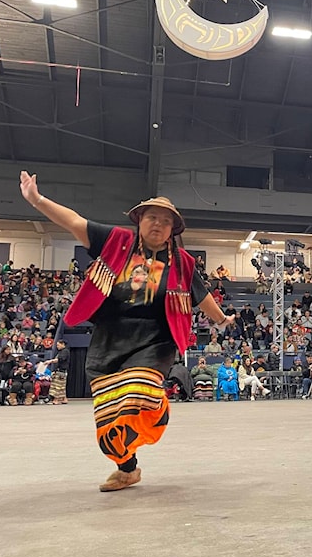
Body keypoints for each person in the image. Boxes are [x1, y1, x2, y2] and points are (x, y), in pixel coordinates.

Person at [19, 171, 236, 492]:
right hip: (110, 337)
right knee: (109, 418)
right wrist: (37, 200)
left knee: (139, 391)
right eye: (152, 217)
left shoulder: (183, 263)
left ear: (172, 230)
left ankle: (158, 406)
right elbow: (75, 221)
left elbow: (200, 295)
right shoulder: (116, 241)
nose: (158, 224)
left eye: (165, 220)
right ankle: (127, 468)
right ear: (140, 220)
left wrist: (222, 320)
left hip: (156, 340)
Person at [47, 339, 70, 405]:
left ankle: (56, 400)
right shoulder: (61, 351)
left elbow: (60, 359)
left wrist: (50, 361)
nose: (57, 346)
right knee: (62, 387)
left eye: (58, 345)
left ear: (63, 344)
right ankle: (64, 399)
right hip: (59, 371)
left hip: (61, 371)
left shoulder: (65, 351)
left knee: (57, 386)